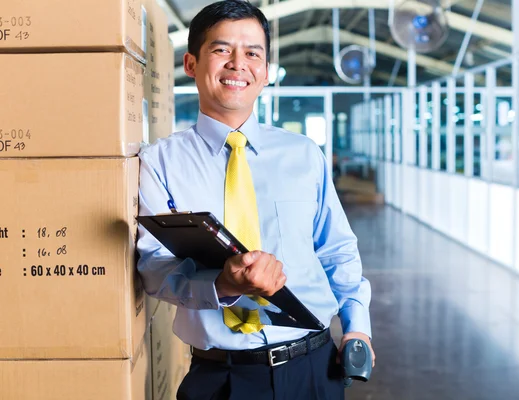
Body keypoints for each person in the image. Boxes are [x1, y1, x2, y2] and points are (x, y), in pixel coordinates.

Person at [136, 1, 374, 399]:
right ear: (191, 63)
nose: (237, 63)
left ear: (265, 71)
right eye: (221, 50)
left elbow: (336, 250)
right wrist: (222, 284)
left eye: (252, 53)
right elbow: (153, 268)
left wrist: (357, 327)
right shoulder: (160, 162)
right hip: (219, 378)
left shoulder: (304, 155)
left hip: (312, 369)